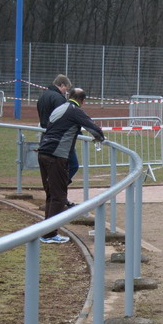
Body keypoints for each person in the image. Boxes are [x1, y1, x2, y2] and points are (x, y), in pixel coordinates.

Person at [37, 88, 105, 244]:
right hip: (56, 155)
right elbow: (95, 130)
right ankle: (49, 234)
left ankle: (46, 231)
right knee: (59, 196)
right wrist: (100, 138)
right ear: (83, 101)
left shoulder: (60, 108)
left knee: (51, 194)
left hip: (43, 152)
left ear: (69, 96)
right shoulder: (75, 110)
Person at [37, 74, 78, 206]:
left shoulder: (43, 96)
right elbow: (64, 117)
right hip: (59, 139)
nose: (66, 91)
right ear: (62, 85)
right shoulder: (58, 98)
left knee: (53, 171)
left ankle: (55, 193)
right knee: (72, 165)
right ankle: (58, 193)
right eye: (66, 88)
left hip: (46, 136)